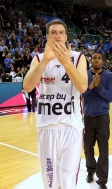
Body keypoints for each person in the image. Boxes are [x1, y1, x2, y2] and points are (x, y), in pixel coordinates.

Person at [23, 20, 88, 189]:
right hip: (47, 129)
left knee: (67, 182)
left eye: (60, 32)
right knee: (50, 183)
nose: (57, 36)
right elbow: (27, 86)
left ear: (66, 36)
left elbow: (82, 87)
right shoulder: (38, 58)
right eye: (53, 32)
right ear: (47, 36)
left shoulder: (78, 57)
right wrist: (45, 61)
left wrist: (66, 62)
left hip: (71, 128)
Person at [82, 52, 112, 189]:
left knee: (103, 150)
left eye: (99, 58)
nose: (96, 60)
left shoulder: (109, 76)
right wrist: (90, 87)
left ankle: (102, 180)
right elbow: (81, 94)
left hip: (102, 117)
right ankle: (91, 171)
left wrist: (99, 87)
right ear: (91, 60)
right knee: (88, 148)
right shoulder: (84, 75)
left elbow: (110, 96)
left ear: (103, 61)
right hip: (88, 118)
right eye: (94, 58)